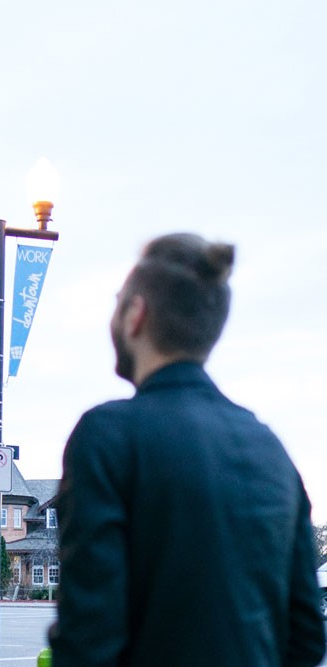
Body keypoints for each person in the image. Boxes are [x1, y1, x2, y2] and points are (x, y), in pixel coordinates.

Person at [48, 233, 326, 666]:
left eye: (118, 301)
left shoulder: (108, 435)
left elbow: (89, 637)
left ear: (135, 315)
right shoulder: (271, 449)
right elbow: (307, 637)